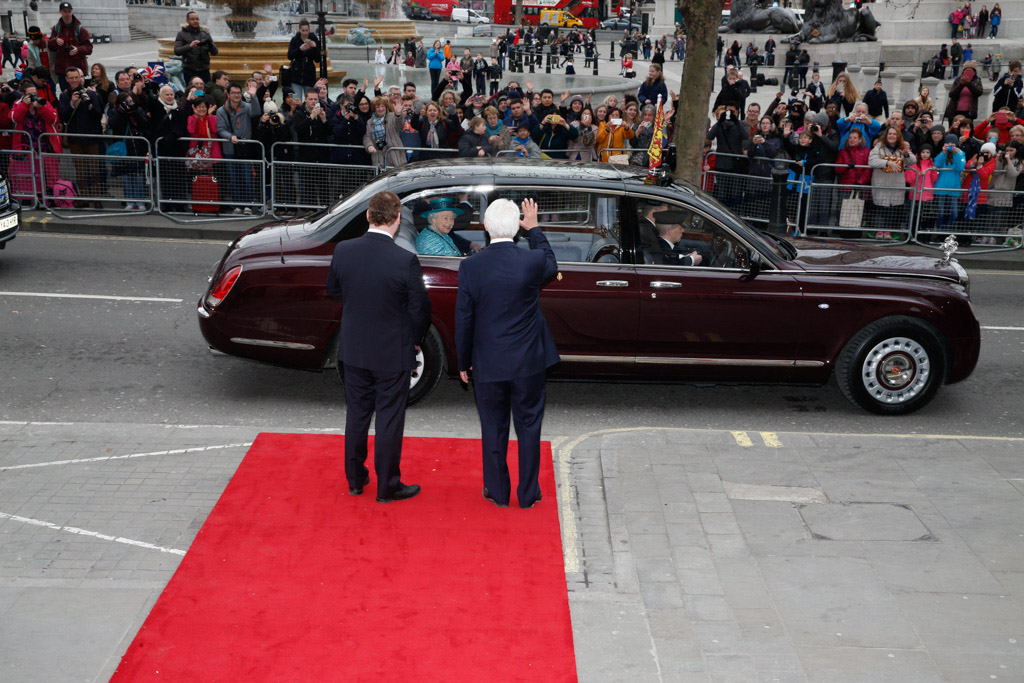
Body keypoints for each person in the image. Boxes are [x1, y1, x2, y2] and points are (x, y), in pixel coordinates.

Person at [325, 191, 428, 504]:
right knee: (388, 420)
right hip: (391, 354)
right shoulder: (404, 260)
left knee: (356, 416)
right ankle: (388, 487)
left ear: (368, 216)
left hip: (354, 350)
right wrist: (414, 340)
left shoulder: (344, 250)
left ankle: (356, 480)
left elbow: (333, 290)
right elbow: (420, 310)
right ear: (397, 220)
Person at [455, 197, 558, 509]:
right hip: (528, 361)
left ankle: (498, 492)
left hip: (487, 361)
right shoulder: (531, 260)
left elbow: (464, 317)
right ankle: (528, 494)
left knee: (493, 426)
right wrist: (536, 228)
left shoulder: (470, 266)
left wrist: (463, 360)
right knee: (529, 426)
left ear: (485, 227)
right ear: (517, 228)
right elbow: (552, 264)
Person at [57, 66, 104, 207]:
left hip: (91, 136)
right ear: (66, 79)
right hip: (74, 138)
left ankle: (96, 198)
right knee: (80, 170)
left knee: (94, 169)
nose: (74, 80)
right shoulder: (64, 96)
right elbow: (63, 116)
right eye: (71, 78)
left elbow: (98, 114)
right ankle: (83, 198)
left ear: (81, 77)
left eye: (76, 77)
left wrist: (89, 103)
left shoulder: (91, 93)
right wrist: (72, 103)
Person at [174, 11, 218, 86]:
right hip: (190, 70)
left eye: (197, 19)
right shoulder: (181, 34)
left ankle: (200, 96)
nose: (195, 21)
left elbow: (215, 52)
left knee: (206, 90)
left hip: (204, 70)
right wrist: (190, 46)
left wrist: (210, 44)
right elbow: (177, 51)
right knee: (192, 90)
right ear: (187, 21)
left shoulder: (205, 33)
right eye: (192, 19)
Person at [287, 19, 320, 97]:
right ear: (299, 30)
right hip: (296, 73)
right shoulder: (295, 40)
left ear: (309, 29)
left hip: (309, 74)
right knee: (296, 99)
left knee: (310, 98)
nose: (305, 33)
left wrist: (315, 47)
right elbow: (289, 56)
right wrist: (299, 49)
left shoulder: (314, 39)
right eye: (303, 30)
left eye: (306, 30)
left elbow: (318, 59)